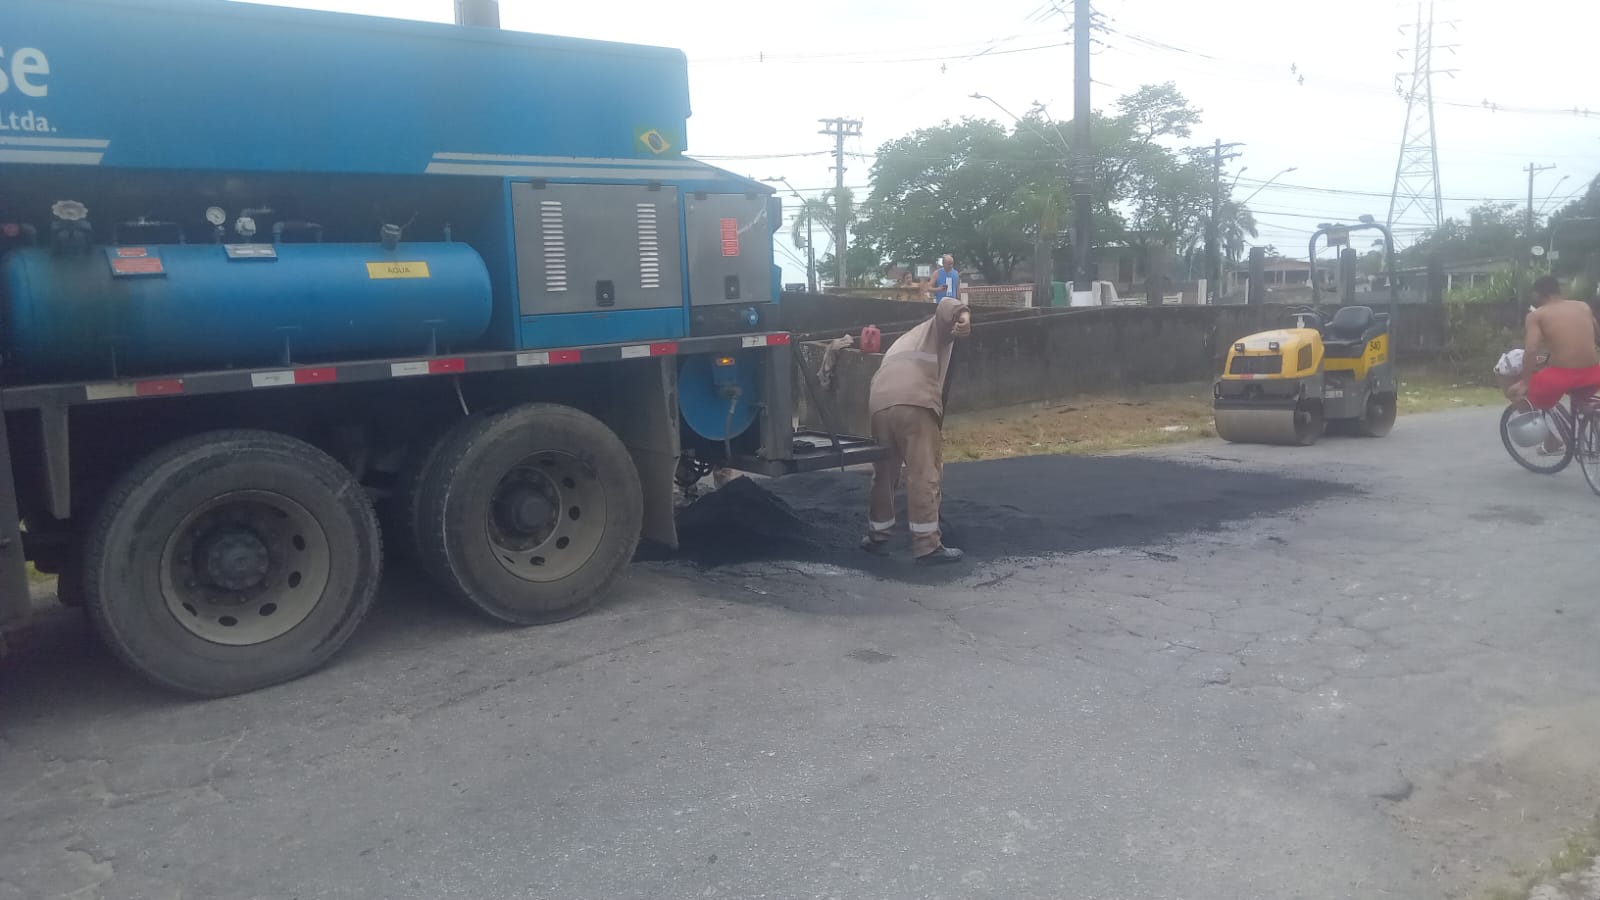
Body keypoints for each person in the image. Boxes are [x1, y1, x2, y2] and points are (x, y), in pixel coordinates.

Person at [861, 293, 972, 564]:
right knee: (923, 471)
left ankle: (878, 535)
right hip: (914, 400)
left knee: (884, 472)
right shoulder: (933, 329)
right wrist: (964, 315)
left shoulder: (900, 342)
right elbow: (946, 306)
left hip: (878, 403)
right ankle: (927, 545)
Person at [1509, 276, 1600, 413]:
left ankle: (1538, 427)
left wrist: (1525, 382)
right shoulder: (1583, 306)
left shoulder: (1537, 315)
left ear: (1538, 294)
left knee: (1516, 392)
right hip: (1594, 375)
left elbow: (1531, 350)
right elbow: (1597, 335)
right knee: (1580, 395)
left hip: (1560, 380)